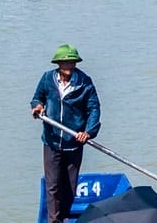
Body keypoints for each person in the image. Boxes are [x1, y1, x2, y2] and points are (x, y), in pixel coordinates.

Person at [33, 44, 101, 223]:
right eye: (65, 63)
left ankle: (62, 217)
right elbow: (37, 97)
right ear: (58, 64)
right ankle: (54, 221)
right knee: (52, 185)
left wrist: (88, 132)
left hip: (74, 142)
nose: (68, 66)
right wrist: (37, 107)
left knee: (69, 187)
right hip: (52, 141)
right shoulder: (48, 79)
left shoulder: (84, 83)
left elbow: (93, 108)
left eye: (71, 63)